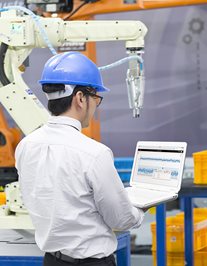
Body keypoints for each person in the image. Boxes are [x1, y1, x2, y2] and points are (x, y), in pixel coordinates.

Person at [15, 52, 145, 266]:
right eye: (96, 98)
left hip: (52, 261)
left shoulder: (26, 146)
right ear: (80, 98)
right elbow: (121, 219)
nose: (95, 106)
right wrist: (140, 209)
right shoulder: (94, 153)